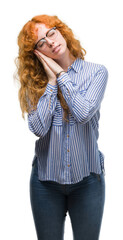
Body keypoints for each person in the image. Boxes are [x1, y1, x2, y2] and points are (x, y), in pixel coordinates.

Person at [15, 14, 108, 240]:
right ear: (37, 53)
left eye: (51, 33)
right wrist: (51, 83)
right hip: (45, 184)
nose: (50, 42)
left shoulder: (96, 73)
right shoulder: (34, 84)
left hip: (87, 181)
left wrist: (60, 74)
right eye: (41, 43)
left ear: (61, 31)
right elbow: (38, 128)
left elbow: (84, 113)